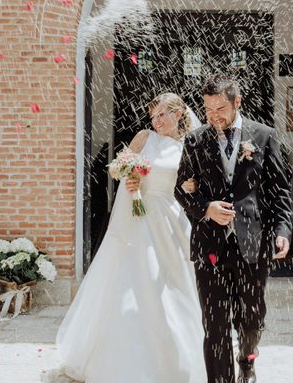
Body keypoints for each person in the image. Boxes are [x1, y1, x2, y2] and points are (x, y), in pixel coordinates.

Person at [56, 92, 206, 383]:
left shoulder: (189, 144)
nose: (157, 120)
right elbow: (117, 166)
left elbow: (192, 183)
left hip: (170, 218)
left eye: (162, 114)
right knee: (135, 278)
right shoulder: (144, 137)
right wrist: (129, 177)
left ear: (178, 114)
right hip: (139, 217)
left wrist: (192, 184)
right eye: (153, 115)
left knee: (173, 283)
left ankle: (178, 357)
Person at [174, 75, 292, 383]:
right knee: (215, 327)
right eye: (208, 109)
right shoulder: (195, 140)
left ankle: (247, 361)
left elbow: (280, 189)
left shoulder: (263, 136)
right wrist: (206, 208)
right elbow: (181, 190)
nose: (214, 115)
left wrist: (283, 229)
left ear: (237, 102)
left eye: (221, 108)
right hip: (209, 246)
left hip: (253, 244)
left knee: (251, 321)